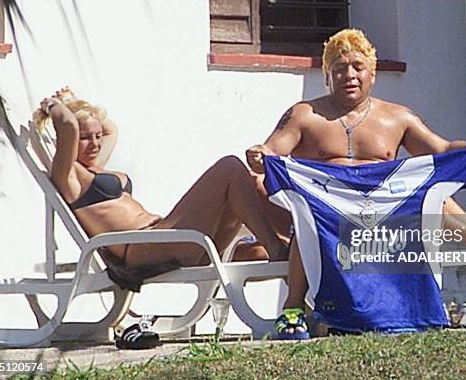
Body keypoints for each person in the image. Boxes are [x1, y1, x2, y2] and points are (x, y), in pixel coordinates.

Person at [246, 28, 466, 338]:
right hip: (328, 212)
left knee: (424, 189)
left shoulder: (396, 117)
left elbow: (441, 150)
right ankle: (292, 308)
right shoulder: (306, 114)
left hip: (385, 215)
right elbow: (273, 149)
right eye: (338, 68)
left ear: (372, 75)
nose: (348, 74)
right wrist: (261, 154)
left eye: (357, 67)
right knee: (309, 212)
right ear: (327, 75)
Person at [34, 87, 288, 348]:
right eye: (86, 138)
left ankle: (291, 254)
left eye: (97, 136)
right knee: (230, 167)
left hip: (164, 236)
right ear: (69, 141)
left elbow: (111, 129)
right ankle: (278, 248)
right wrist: (52, 105)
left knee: (249, 202)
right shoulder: (69, 176)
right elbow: (67, 125)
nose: (96, 144)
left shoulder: (93, 166)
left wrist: (75, 102)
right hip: (145, 247)